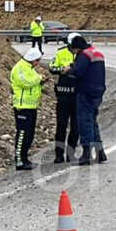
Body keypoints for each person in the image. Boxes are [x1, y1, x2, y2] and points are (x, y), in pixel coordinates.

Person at [67, 35, 107, 165]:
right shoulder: (97, 53)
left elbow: (77, 72)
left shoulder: (83, 55)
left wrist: (68, 70)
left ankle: (86, 154)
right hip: (98, 92)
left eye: (72, 50)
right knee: (93, 121)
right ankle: (100, 152)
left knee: (85, 122)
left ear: (76, 47)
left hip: (85, 92)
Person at [47, 33, 81, 163]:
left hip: (77, 95)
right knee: (61, 126)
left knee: (75, 127)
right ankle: (59, 155)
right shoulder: (61, 53)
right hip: (63, 95)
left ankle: (71, 154)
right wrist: (63, 69)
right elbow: (52, 67)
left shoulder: (82, 54)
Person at [9, 48, 44, 171]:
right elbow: (25, 82)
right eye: (38, 60)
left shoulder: (29, 68)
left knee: (29, 134)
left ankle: (25, 158)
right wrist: (39, 79)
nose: (38, 63)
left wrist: (40, 81)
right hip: (22, 106)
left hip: (31, 106)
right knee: (22, 133)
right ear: (33, 60)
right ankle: (19, 160)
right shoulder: (19, 68)